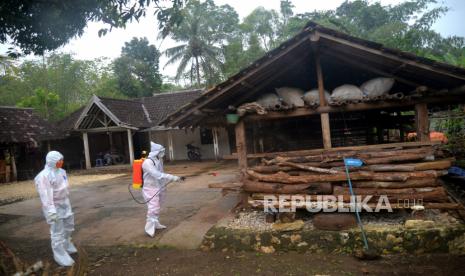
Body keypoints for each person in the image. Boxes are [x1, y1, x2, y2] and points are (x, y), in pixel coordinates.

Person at [34, 151, 77, 266]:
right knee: (57, 231)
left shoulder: (62, 172)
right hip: (53, 206)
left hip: (65, 203)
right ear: (52, 161)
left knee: (69, 225)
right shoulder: (43, 176)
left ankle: (66, 244)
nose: (61, 162)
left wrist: (66, 201)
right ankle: (59, 254)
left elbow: (64, 187)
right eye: (59, 161)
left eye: (62, 160)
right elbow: (46, 197)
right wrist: (51, 212)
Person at [142, 142, 183, 237]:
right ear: (156, 152)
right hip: (150, 187)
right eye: (161, 151)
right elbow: (157, 174)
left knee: (159, 205)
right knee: (153, 207)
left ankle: (155, 223)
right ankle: (149, 228)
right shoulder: (147, 162)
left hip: (159, 186)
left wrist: (165, 183)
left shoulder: (159, 159)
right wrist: (172, 177)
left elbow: (161, 172)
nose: (163, 153)